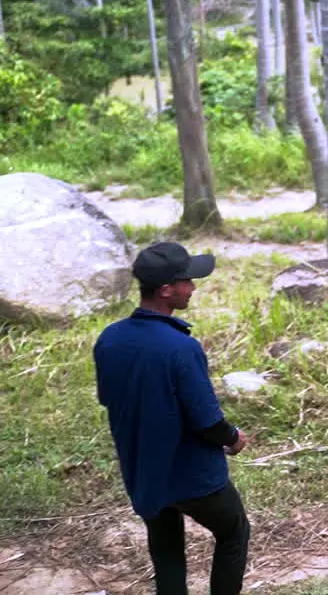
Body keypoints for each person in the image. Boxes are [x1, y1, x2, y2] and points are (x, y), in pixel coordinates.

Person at [93, 241, 251, 595]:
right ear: (166, 290)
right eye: (187, 282)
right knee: (234, 531)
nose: (192, 288)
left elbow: (110, 400)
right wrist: (234, 438)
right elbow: (208, 422)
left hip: (145, 472)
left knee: (166, 551)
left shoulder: (110, 339)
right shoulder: (181, 347)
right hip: (192, 475)